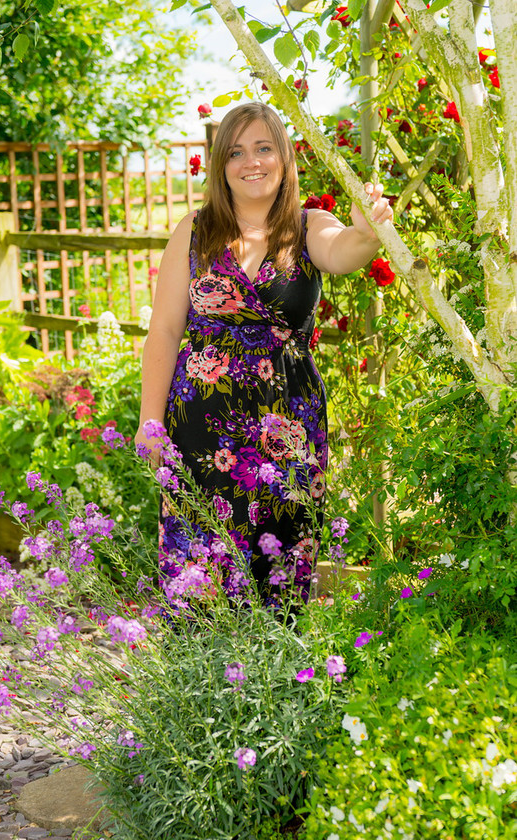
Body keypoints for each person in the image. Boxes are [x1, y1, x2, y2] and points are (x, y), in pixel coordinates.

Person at [135, 102, 393, 602]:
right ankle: (202, 679)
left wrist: (366, 232)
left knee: (280, 566)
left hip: (287, 430)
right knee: (199, 573)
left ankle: (273, 681)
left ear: (284, 157)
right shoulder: (194, 232)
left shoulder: (308, 225)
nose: (251, 161)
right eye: (236, 152)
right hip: (199, 429)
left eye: (263, 148)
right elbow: (164, 331)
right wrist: (151, 423)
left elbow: (343, 252)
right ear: (221, 166)